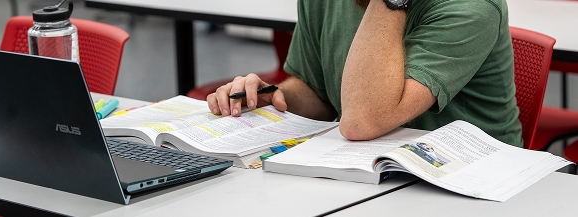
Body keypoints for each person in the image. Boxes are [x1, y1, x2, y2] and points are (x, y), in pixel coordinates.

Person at [207, 0, 523, 147]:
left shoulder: (472, 6)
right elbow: (318, 92)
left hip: (473, 178)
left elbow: (364, 120)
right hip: (371, 170)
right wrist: (271, 96)